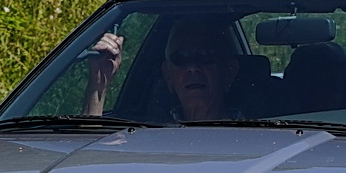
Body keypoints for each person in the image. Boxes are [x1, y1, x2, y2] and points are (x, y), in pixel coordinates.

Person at [80, 19, 242, 121]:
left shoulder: (256, 140)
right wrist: (99, 84)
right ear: (168, 76)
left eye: (205, 56)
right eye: (180, 58)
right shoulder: (145, 136)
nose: (192, 68)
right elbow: (87, 162)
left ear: (229, 72)